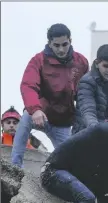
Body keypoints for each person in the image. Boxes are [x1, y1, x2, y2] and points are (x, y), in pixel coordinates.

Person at [11, 23, 89, 167]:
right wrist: (35, 109)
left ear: (70, 41)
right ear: (49, 44)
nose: (61, 49)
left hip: (62, 121)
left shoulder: (81, 62)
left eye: (64, 44)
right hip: (40, 114)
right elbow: (28, 85)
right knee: (25, 120)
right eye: (56, 45)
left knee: (69, 160)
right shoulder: (38, 60)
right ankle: (15, 167)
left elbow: (85, 94)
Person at [73, 44, 108, 134]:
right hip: (88, 135)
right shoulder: (86, 82)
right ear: (97, 64)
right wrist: (96, 131)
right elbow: (88, 111)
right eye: (106, 66)